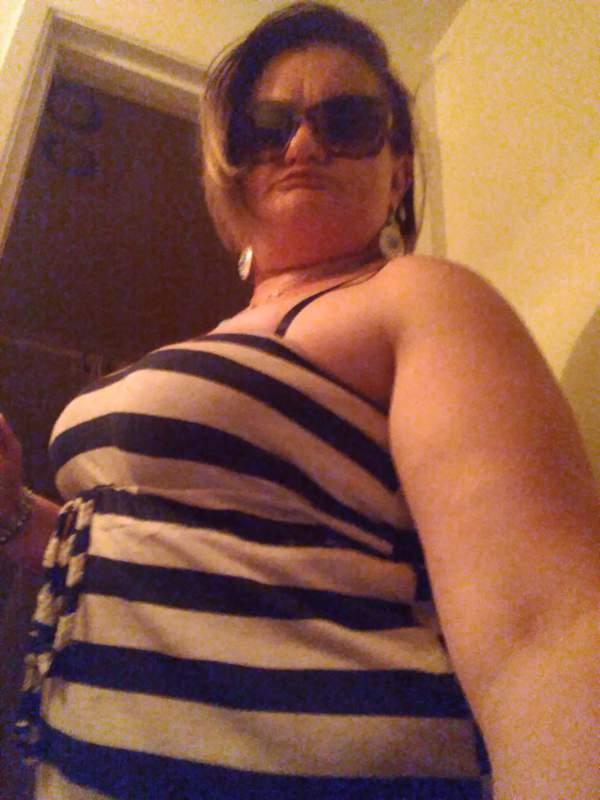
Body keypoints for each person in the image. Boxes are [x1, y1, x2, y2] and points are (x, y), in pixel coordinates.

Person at [1, 3, 598, 798]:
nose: (303, 144)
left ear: (400, 171)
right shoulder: (220, 342)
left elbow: (542, 628)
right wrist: (14, 512)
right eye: (268, 126)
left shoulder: (417, 296)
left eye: (347, 121)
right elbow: (163, 551)